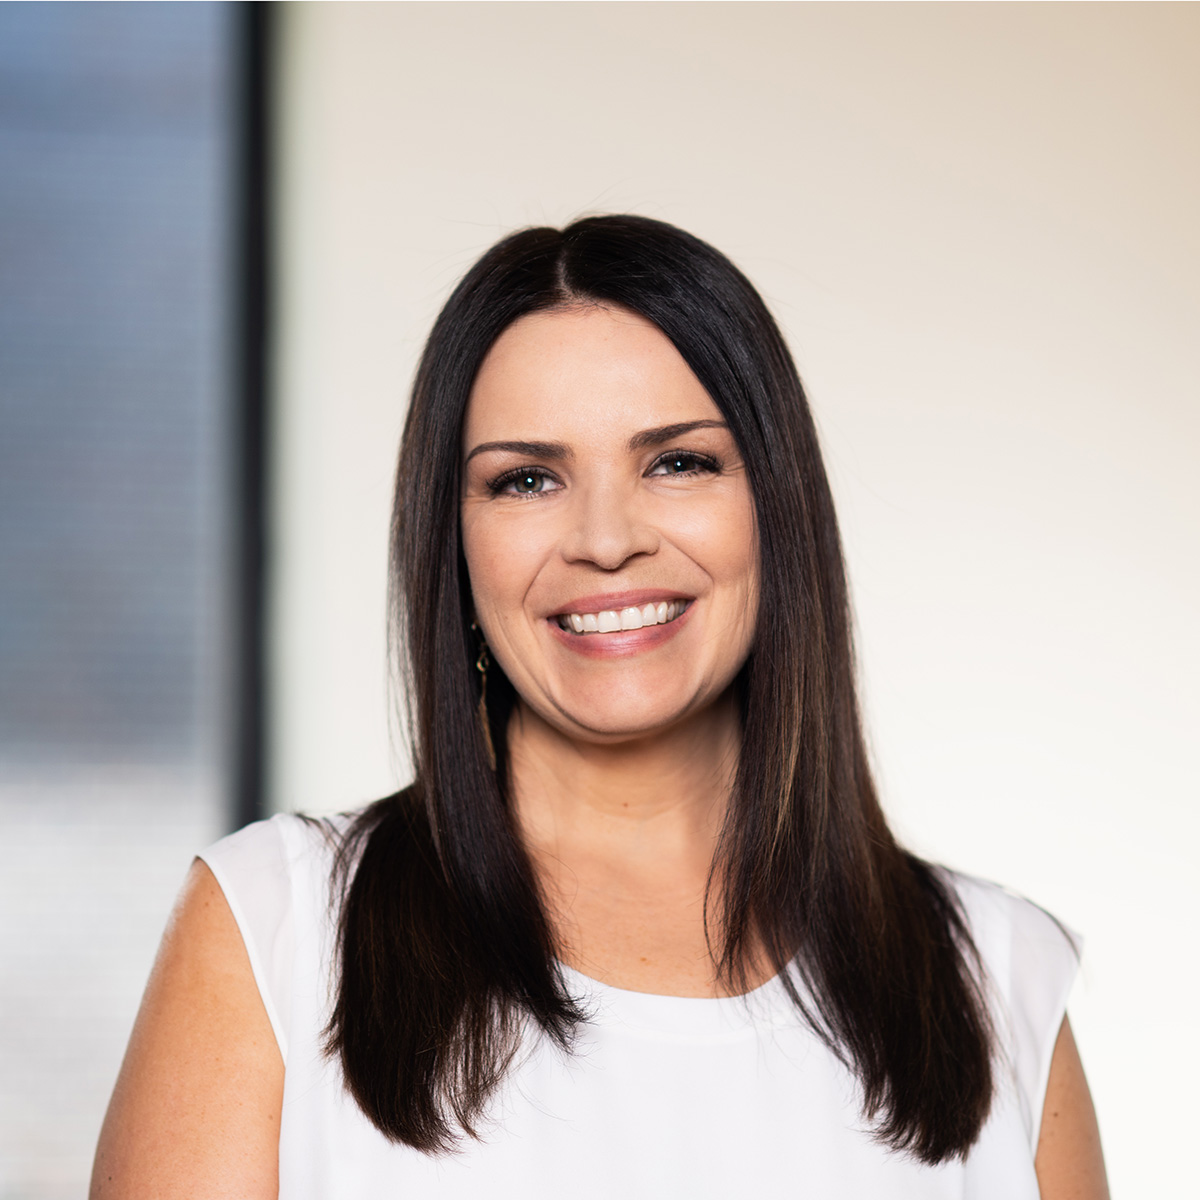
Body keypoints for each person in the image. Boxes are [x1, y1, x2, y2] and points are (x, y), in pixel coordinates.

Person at [91, 215, 1109, 1199]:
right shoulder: (277, 932)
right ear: (455, 542)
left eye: (678, 462)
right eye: (528, 479)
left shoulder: (997, 977)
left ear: (777, 506)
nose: (606, 539)